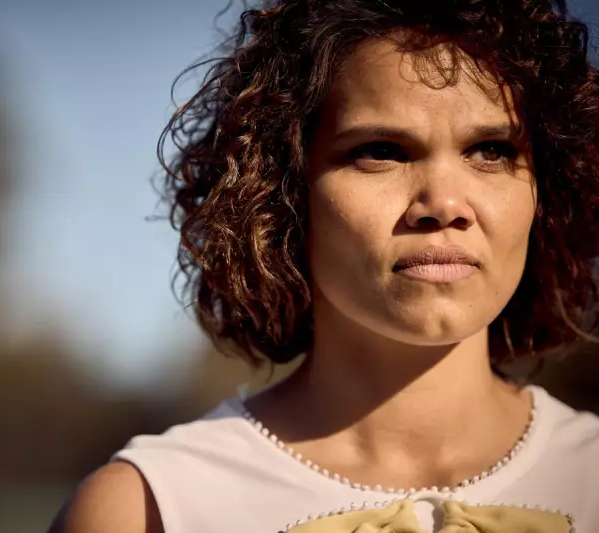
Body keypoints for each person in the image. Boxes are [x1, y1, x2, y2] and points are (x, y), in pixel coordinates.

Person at [54, 0, 599, 531]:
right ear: (283, 193)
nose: (445, 204)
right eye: (381, 151)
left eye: (492, 151)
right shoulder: (142, 511)